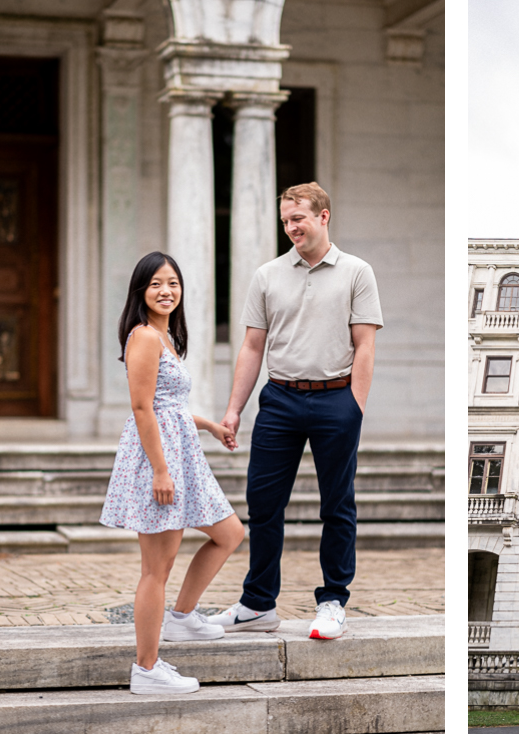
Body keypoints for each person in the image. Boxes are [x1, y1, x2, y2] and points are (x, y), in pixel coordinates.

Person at [208, 182, 382, 640]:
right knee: (263, 505)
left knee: (337, 505)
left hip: (335, 399)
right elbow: (251, 346)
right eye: (285, 221)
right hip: (280, 399)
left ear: (323, 216)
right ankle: (258, 604)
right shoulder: (267, 275)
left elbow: (365, 344)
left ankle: (332, 602)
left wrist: (354, 407)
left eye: (298, 219)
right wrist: (233, 410)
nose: (291, 228)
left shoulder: (357, 272)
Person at [100, 252, 245, 695]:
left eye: (173, 284)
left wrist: (210, 425)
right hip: (159, 460)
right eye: (156, 284)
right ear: (141, 292)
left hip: (181, 453)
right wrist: (161, 472)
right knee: (155, 569)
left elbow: (169, 406)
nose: (166, 291)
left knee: (229, 533)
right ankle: (146, 668)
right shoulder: (143, 337)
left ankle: (181, 618)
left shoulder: (165, 337)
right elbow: (142, 408)